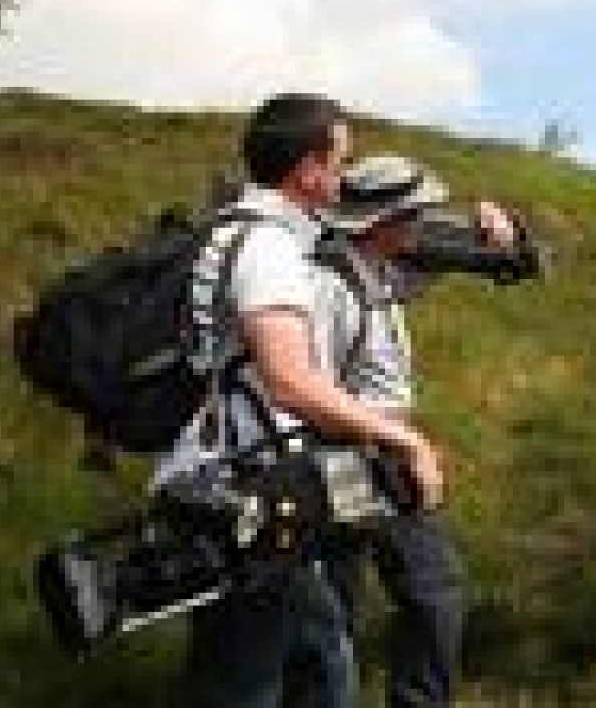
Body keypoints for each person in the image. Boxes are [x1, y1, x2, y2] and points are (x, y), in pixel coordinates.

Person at [158, 94, 451, 708]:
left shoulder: (226, 231)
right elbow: (291, 379)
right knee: (254, 680)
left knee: (320, 658)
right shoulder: (267, 249)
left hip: (226, 480)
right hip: (243, 492)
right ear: (309, 169)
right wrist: (404, 437)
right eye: (342, 161)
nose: (346, 177)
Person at [304, 154, 521, 708]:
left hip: (380, 456)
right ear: (384, 221)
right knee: (340, 608)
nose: (424, 224)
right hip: (341, 459)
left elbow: (440, 267)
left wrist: (490, 236)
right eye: (415, 213)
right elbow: (307, 390)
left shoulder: (377, 273)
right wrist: (394, 440)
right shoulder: (329, 285)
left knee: (432, 594)